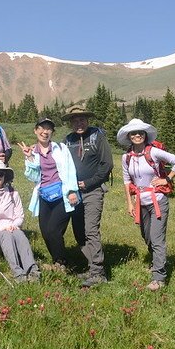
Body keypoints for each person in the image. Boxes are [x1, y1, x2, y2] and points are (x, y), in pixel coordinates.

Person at [117, 118, 175, 291]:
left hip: (158, 201)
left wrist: (166, 178)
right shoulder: (126, 157)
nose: (137, 135)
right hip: (140, 201)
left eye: (140, 132)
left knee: (156, 238)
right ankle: (157, 262)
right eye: (134, 133)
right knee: (146, 236)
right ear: (129, 136)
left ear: (145, 135)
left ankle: (159, 277)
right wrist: (129, 203)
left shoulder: (153, 152)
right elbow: (126, 181)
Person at [20, 117, 80, 272]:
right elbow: (33, 177)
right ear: (35, 130)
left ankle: (63, 262)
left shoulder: (60, 148)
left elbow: (70, 169)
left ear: (52, 132)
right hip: (44, 195)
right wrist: (29, 158)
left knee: (54, 230)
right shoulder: (33, 151)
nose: (44, 132)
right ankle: (57, 261)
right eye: (41, 128)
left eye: (48, 129)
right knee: (46, 231)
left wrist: (72, 191)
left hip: (62, 194)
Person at [62, 106, 113, 287]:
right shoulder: (68, 140)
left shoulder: (97, 136)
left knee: (91, 229)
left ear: (87, 120)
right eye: (75, 120)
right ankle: (91, 267)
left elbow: (107, 164)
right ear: (70, 123)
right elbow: (60, 164)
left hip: (93, 190)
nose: (79, 123)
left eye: (82, 119)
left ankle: (98, 272)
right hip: (74, 193)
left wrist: (89, 182)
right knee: (79, 232)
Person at [0, 159, 41, 283]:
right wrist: (2, 229)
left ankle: (32, 269)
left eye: (0, 174)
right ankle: (18, 273)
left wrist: (12, 226)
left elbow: (20, 217)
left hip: (11, 231)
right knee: (6, 235)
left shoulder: (13, 194)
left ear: (5, 176)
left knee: (19, 233)